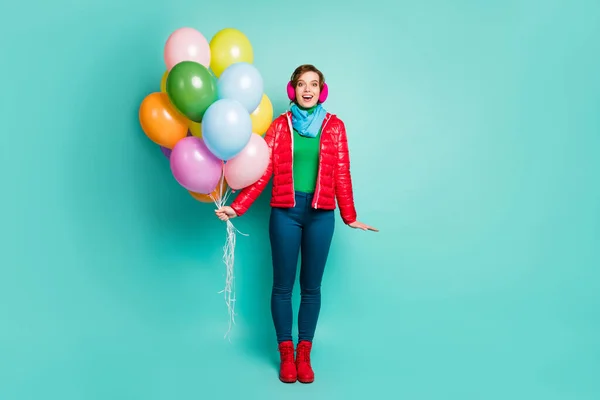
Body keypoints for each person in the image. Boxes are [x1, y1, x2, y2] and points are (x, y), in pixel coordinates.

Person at [215, 64, 377, 384]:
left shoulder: (334, 127)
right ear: (292, 90)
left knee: (311, 288)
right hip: (285, 213)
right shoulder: (279, 127)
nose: (307, 90)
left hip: (321, 215)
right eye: (301, 84)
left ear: (321, 90)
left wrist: (350, 216)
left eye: (313, 85)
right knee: (282, 287)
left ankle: (305, 353)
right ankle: (286, 354)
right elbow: (261, 172)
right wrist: (238, 207)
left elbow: (341, 173)